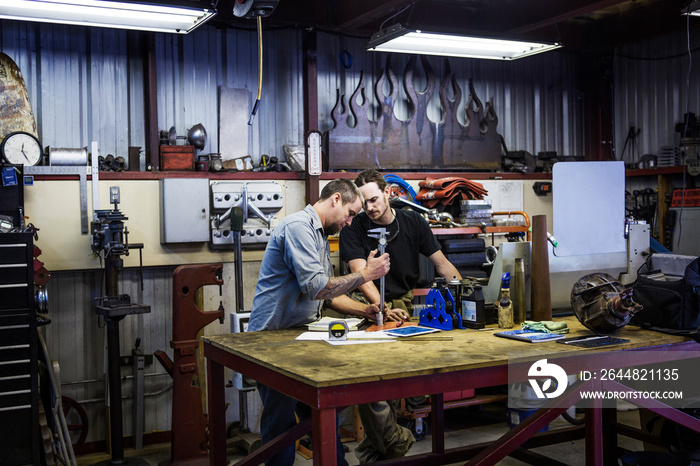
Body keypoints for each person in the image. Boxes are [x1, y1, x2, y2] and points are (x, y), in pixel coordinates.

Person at [248, 178, 391, 466]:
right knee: (281, 427)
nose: (351, 222)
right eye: (351, 213)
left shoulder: (320, 235)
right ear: (336, 199)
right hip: (271, 342)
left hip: (299, 339)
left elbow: (327, 295)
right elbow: (318, 288)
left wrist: (367, 310)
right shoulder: (298, 228)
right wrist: (365, 274)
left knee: (323, 418)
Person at [338, 168, 463, 464]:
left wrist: (463, 294)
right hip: (368, 305)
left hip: (403, 306)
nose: (369, 208)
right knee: (371, 382)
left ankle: (378, 456)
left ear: (388, 193)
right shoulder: (353, 228)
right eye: (364, 203)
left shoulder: (413, 222)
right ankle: (396, 442)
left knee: (396, 382)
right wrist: (381, 307)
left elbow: (442, 264)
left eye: (373, 200)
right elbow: (361, 274)